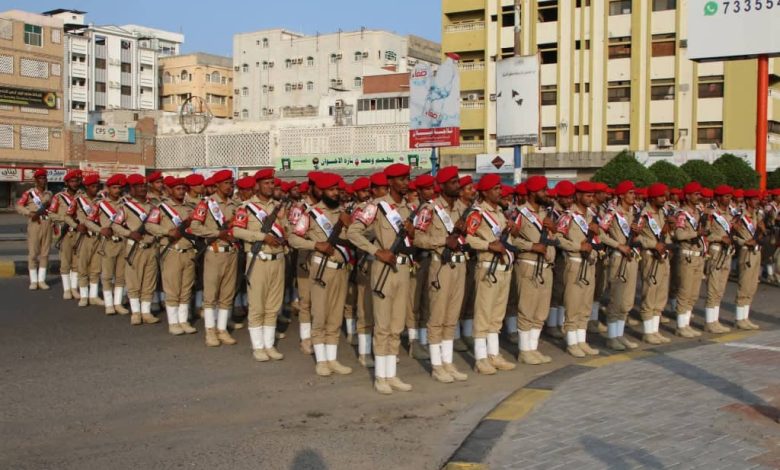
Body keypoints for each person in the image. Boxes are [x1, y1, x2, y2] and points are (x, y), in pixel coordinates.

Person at [347, 163, 415, 395]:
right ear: (391, 182)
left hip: (403, 268)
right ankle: (380, 376)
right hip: (383, 268)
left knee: (397, 324)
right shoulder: (375, 207)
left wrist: (413, 233)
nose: (406, 183)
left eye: (407, 178)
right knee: (383, 324)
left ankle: (392, 374)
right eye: (401, 179)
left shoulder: (408, 208)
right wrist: (376, 251)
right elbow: (353, 232)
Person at [290, 172, 354, 377]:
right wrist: (315, 245)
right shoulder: (311, 214)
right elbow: (293, 238)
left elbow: (356, 238)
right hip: (322, 269)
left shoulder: (344, 213)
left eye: (337, 190)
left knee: (335, 316)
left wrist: (349, 224)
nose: (336, 193)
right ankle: (321, 360)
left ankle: (332, 359)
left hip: (341, 269)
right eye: (332, 190)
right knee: (320, 315)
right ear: (323, 191)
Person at [413, 166, 469, 383]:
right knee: (437, 318)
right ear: (442, 185)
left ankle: (448, 362)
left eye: (458, 181)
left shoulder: (462, 208)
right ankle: (437, 365)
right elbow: (418, 238)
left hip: (460, 265)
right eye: (453, 182)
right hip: (441, 267)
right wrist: (443, 241)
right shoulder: (430, 209)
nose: (457, 185)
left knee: (452, 317)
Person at [464, 173, 516, 374]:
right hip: (488, 267)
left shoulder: (500, 212)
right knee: (483, 314)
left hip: (504, 268)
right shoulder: (478, 213)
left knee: (497, 315)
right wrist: (487, 245)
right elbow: (467, 238)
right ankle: (480, 358)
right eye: (495, 189)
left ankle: (494, 354)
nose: (500, 191)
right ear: (485, 192)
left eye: (500, 188)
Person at [233, 171, 286, 361]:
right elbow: (236, 231)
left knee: (273, 306)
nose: (270, 186)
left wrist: (283, 220)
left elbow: (287, 231)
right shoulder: (246, 207)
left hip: (278, 259)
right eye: (266, 183)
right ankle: (258, 347)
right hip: (259, 259)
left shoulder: (278, 207)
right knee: (257, 305)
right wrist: (262, 237)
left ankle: (269, 345)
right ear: (257, 186)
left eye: (272, 183)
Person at [189, 170, 239, 347]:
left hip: (232, 251)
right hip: (215, 251)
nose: (229, 186)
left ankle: (222, 329)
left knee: (227, 293)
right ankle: (210, 330)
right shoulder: (206, 204)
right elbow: (195, 227)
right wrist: (217, 233)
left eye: (231, 183)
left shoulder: (235, 204)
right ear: (217, 185)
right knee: (211, 294)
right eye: (226, 183)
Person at [511, 175, 556, 365]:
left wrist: (554, 229)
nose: (546, 194)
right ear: (532, 193)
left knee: (541, 311)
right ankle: (524, 350)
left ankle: (533, 347)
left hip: (546, 265)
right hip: (528, 264)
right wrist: (531, 246)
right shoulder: (520, 213)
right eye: (543, 190)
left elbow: (554, 239)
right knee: (527, 309)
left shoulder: (546, 213)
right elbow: (511, 239)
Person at [147, 177, 198, 335]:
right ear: (170, 190)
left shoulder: (190, 208)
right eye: (178, 189)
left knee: (186, 288)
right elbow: (150, 225)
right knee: (172, 288)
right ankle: (173, 322)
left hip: (189, 251)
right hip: (172, 251)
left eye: (183, 189)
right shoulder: (162, 208)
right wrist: (166, 231)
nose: (181, 192)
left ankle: (183, 321)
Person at [555, 182, 600, 357]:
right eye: (587, 195)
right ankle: (572, 342)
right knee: (573, 304)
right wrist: (577, 246)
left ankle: (582, 340)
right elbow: (558, 238)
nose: (591, 199)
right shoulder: (568, 216)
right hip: (574, 262)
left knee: (585, 305)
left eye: (592, 195)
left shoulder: (591, 215)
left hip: (589, 262)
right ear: (578, 196)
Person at [110, 174, 160, 325]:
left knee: (149, 281)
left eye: (144, 186)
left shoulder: (154, 206)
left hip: (151, 246)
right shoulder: (126, 207)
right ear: (132, 189)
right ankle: (136, 313)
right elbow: (115, 225)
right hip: (135, 247)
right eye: (139, 186)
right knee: (133, 281)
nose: (142, 188)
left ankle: (146, 312)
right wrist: (129, 233)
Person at [600, 180, 640, 350]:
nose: (633, 196)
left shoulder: (634, 213)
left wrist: (637, 235)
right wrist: (618, 245)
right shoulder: (612, 213)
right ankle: (611, 336)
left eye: (634, 193)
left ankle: (620, 334)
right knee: (616, 298)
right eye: (630, 193)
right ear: (622, 195)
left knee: (627, 301)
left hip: (632, 258)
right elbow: (600, 233)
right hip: (618, 258)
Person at [636, 183, 674, 344]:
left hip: (663, 256)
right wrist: (653, 244)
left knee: (661, 293)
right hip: (650, 256)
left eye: (664, 196)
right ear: (652, 198)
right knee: (650, 292)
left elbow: (666, 235)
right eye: (660, 196)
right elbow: (636, 236)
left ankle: (655, 330)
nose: (664, 199)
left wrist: (669, 244)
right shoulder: (643, 215)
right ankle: (647, 332)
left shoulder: (663, 213)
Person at [672, 182, 706, 338]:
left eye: (699, 194)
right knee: (684, 292)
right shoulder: (682, 214)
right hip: (687, 255)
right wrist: (696, 234)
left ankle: (686, 324)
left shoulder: (697, 212)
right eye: (695, 194)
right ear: (687, 196)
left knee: (693, 293)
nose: (699, 197)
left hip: (698, 255)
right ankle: (680, 326)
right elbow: (679, 235)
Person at [96, 174, 130, 315]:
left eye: (119, 188)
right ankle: (109, 304)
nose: (117, 190)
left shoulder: (126, 203)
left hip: (123, 241)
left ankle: (118, 303)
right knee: (107, 275)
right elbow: (88, 221)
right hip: (109, 242)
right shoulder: (100, 204)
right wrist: (100, 229)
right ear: (108, 188)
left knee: (121, 275)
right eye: (114, 187)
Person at [69, 173, 104, 307]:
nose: (96, 189)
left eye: (97, 186)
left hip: (98, 237)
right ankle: (84, 296)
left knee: (96, 268)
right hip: (84, 236)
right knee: (82, 267)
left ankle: (93, 295)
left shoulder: (102, 200)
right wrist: (76, 226)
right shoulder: (78, 200)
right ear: (87, 187)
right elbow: (67, 216)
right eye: (93, 186)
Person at [16, 169, 53, 290]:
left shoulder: (49, 194)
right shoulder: (29, 193)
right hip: (35, 223)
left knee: (45, 253)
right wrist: (29, 213)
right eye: (40, 178)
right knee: (33, 253)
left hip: (47, 223)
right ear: (36, 180)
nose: (43, 180)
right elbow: (19, 206)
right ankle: (33, 280)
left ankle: (41, 280)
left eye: (44, 178)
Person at [733, 189, 764, 330]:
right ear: (747, 201)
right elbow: (732, 234)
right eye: (754, 199)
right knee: (744, 285)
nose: (757, 202)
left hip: (757, 251)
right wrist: (744, 242)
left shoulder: (757, 214)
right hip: (746, 251)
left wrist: (762, 231)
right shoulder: (740, 216)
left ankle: (745, 317)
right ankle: (739, 319)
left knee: (752, 286)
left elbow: (762, 233)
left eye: (757, 199)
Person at [48, 169, 82, 299]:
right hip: (65, 232)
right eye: (71, 181)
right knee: (65, 261)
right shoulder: (59, 197)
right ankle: (67, 289)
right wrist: (65, 219)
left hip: (79, 232)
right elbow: (51, 213)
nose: (74, 183)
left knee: (77, 262)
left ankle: (74, 288)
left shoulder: (82, 197)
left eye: (76, 181)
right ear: (67, 183)